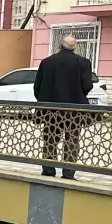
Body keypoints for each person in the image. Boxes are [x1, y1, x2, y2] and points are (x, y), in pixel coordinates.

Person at [33, 35, 94, 180]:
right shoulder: (83, 62)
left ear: (60, 46)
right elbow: (87, 85)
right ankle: (68, 173)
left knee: (50, 140)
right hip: (74, 110)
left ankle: (48, 170)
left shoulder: (47, 62)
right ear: (75, 47)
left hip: (50, 109)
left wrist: (46, 100)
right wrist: (77, 95)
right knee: (72, 141)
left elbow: (37, 87)